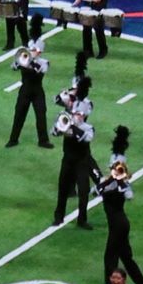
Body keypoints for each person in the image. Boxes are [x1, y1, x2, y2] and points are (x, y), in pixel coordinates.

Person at [94, 126, 143, 284]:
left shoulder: (118, 186)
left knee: (110, 258)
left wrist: (119, 180)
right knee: (126, 258)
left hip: (118, 225)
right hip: (120, 224)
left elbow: (126, 194)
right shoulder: (110, 184)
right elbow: (96, 190)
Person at [52, 78, 100, 230]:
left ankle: (82, 220)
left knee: (84, 191)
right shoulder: (65, 121)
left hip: (82, 161)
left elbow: (86, 138)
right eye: (75, 113)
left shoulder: (88, 128)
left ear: (84, 115)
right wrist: (61, 128)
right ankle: (58, 217)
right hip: (67, 159)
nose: (76, 116)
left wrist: (73, 128)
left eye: (79, 114)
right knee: (63, 188)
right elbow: (53, 132)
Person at [6, 14, 53, 150]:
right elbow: (13, 67)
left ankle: (43, 140)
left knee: (41, 115)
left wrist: (30, 62)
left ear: (40, 51)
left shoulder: (44, 62)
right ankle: (13, 139)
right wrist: (20, 61)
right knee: (19, 114)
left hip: (37, 91)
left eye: (36, 51)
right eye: (31, 50)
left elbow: (40, 70)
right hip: (25, 90)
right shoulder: (23, 59)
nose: (33, 53)